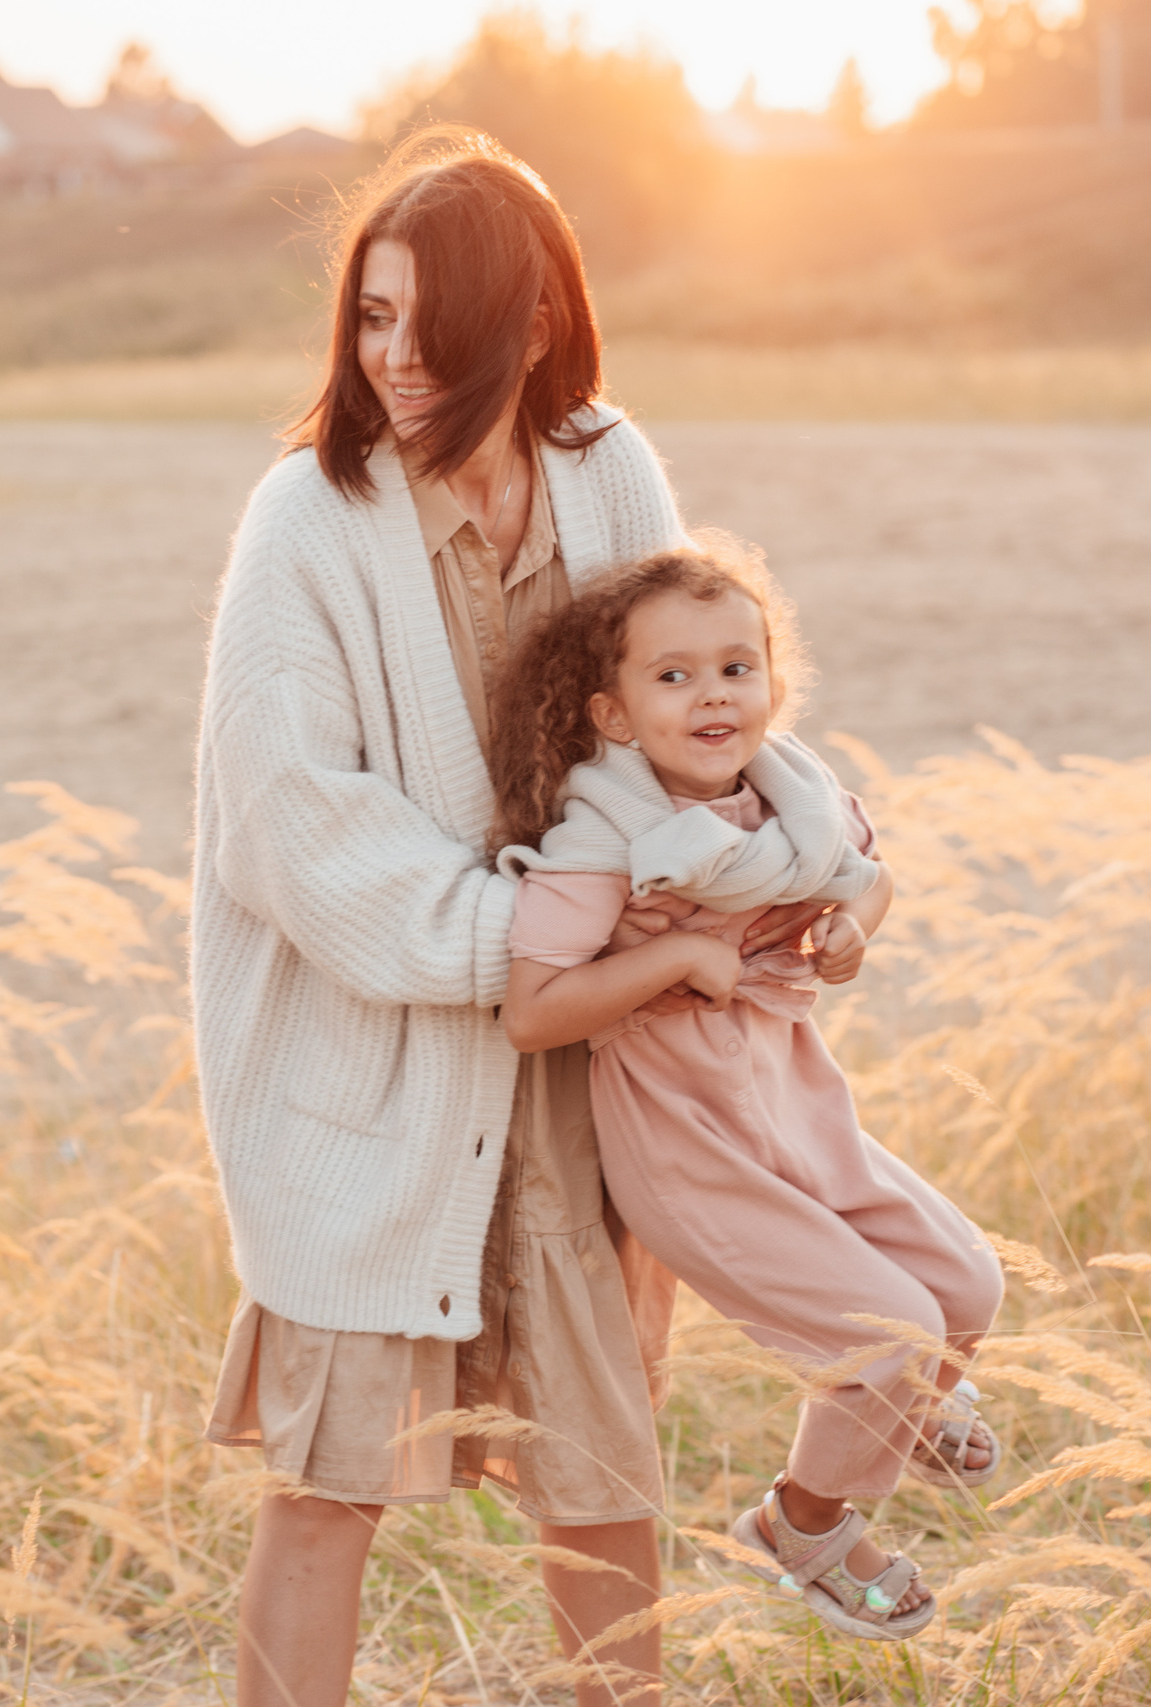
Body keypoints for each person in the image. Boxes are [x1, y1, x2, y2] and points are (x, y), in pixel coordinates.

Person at [192, 130, 728, 1707]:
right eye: (369, 315)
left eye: (431, 318)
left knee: (603, 1471)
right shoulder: (307, 515)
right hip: (380, 1069)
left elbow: (688, 700)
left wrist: (787, 866)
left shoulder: (609, 468)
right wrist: (539, 937)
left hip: (578, 1062)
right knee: (332, 1478)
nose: (395, 355)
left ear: (536, 323)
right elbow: (290, 822)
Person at [491, 541, 1007, 1642]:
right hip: (687, 1147)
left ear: (773, 684)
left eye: (737, 667)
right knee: (889, 1335)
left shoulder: (796, 805)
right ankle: (803, 1525)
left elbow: (869, 881)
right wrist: (671, 962)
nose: (712, 693)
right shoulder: (604, 845)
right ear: (616, 716)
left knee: (964, 1286)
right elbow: (533, 1008)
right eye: (671, 676)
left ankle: (899, 1405)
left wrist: (845, 932)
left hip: (794, 1107)